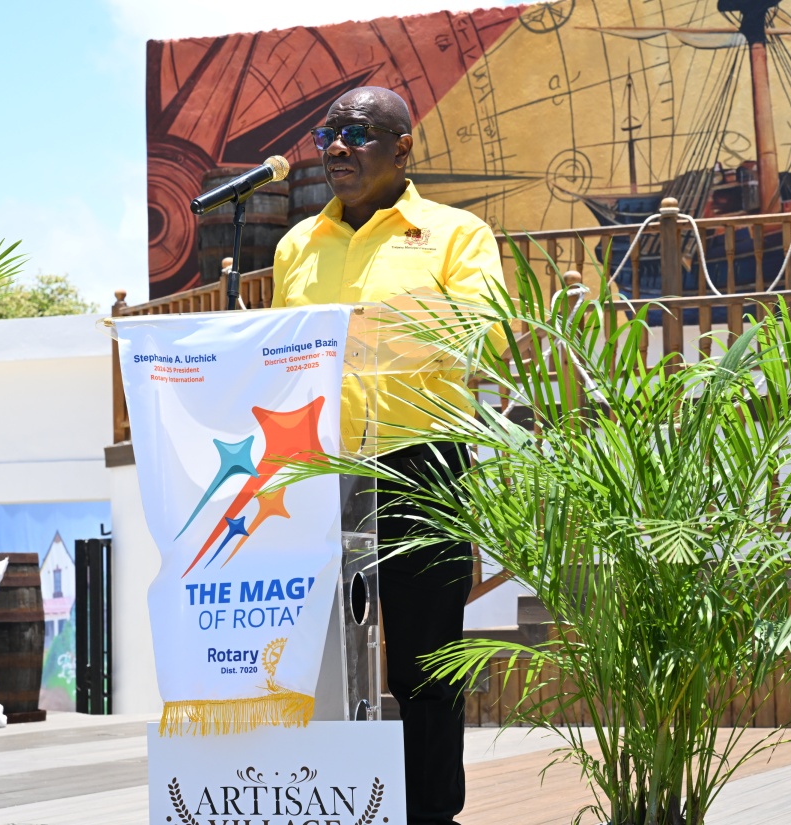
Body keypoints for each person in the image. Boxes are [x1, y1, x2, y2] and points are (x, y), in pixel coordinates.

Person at [271, 86, 505, 825]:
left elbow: (484, 335)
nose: (336, 147)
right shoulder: (295, 246)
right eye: (326, 135)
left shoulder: (456, 234)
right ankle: (337, 807)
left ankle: (430, 814)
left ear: (403, 146)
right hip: (317, 472)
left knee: (423, 661)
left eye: (357, 133)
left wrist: (363, 332)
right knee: (318, 660)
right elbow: (282, 358)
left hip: (420, 463)